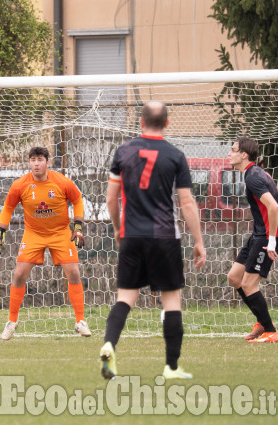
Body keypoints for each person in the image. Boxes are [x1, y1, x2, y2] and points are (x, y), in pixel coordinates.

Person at [101, 101, 206, 380]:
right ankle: (171, 367)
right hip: (164, 237)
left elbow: (111, 198)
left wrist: (117, 228)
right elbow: (186, 202)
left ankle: (109, 345)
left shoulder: (123, 152)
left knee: (125, 298)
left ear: (140, 121)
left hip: (132, 235)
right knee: (171, 301)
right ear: (167, 123)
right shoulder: (175, 155)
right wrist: (199, 240)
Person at [0, 146, 90, 340]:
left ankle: (80, 321)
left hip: (61, 232)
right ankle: (12, 322)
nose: (36, 164)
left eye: (39, 160)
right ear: (29, 162)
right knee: (19, 274)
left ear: (47, 162)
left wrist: (78, 227)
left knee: (73, 272)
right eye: (32, 160)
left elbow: (78, 199)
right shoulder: (20, 185)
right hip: (33, 234)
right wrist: (1, 232)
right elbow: (8, 207)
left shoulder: (61, 181)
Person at [226, 136, 278, 343]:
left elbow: (274, 206)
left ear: (244, 154)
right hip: (259, 233)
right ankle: (261, 322)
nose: (229, 153)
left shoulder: (253, 176)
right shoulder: (254, 172)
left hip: (269, 235)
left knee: (249, 284)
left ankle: (271, 332)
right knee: (234, 278)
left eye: (233, 150)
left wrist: (270, 241)